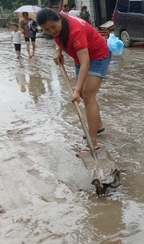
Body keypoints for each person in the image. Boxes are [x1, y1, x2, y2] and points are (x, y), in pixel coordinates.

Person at [36, 9, 110, 153]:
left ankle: (93, 142)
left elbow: (85, 63)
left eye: (53, 27)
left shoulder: (75, 31)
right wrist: (58, 50)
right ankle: (98, 126)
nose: (51, 31)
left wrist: (76, 91)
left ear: (59, 19)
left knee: (87, 95)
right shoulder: (58, 24)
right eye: (46, 30)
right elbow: (59, 38)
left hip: (97, 55)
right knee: (84, 93)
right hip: (80, 56)